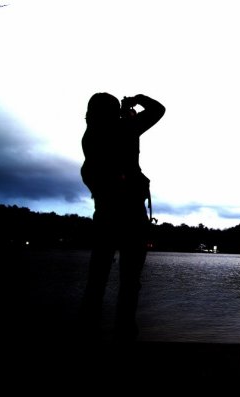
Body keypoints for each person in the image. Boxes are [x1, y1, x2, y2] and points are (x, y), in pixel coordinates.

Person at [80, 92, 165, 341]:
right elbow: (158, 110)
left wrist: (125, 116)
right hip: (130, 217)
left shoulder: (90, 135)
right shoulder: (125, 129)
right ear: (113, 112)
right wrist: (137, 100)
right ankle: (124, 333)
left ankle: (88, 330)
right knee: (129, 281)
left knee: (97, 278)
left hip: (105, 214)